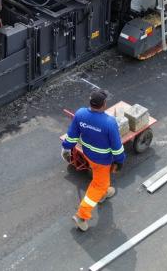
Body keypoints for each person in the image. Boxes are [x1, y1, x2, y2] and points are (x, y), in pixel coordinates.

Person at [61, 87, 125, 232]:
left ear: (90, 103)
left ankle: (104, 192)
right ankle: (81, 215)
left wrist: (65, 147)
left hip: (88, 154)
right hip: (103, 160)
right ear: (104, 105)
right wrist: (120, 161)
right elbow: (117, 147)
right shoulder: (109, 122)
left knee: (100, 178)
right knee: (98, 184)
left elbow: (71, 136)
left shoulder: (81, 114)